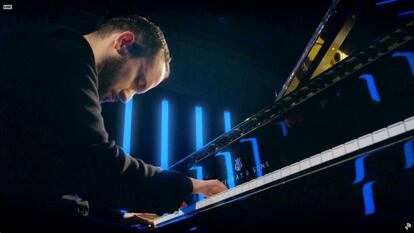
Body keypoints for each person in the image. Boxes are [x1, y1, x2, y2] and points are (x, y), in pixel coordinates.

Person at [0, 15, 227, 230]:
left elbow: (55, 175)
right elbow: (96, 163)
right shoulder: (64, 51)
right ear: (123, 42)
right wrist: (191, 185)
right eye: (137, 81)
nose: (126, 98)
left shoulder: (53, 51)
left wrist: (114, 216)